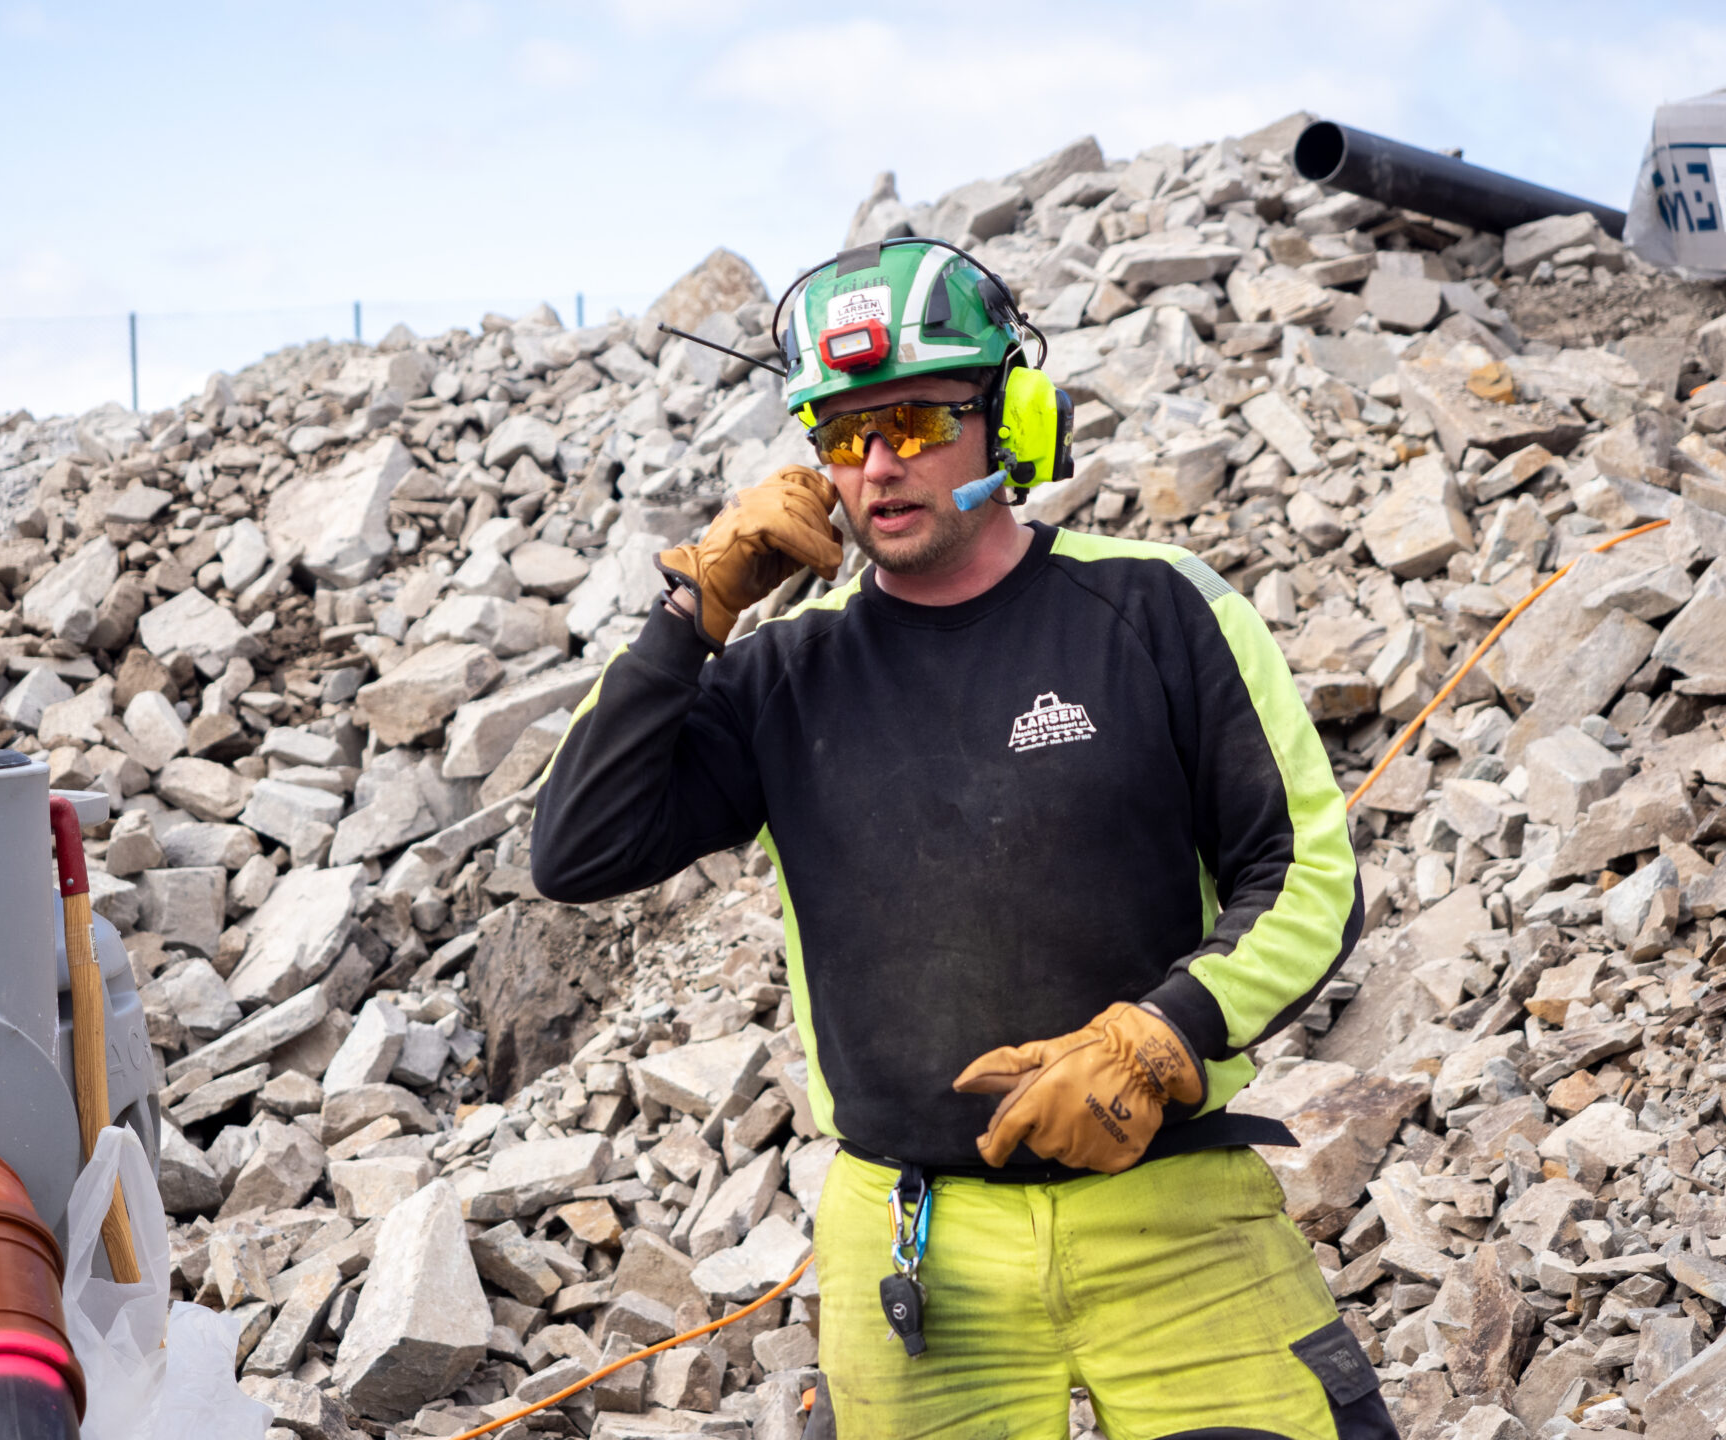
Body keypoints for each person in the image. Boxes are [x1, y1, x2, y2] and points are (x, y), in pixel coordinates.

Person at [531, 238, 1387, 1440]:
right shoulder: (783, 674)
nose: (878, 465)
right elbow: (576, 848)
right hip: (911, 1240)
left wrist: (1164, 1035)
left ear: (1008, 420)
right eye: (843, 435)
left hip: (1178, 1211)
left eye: (918, 422)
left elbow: (1305, 875)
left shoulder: (1156, 607)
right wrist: (692, 609)